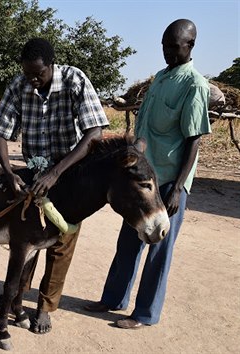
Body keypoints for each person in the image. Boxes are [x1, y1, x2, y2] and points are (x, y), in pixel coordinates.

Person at [84, 19, 211, 329]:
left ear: (190, 46)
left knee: (158, 248)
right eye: (165, 46)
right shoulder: (160, 79)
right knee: (128, 240)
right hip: (141, 178)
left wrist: (179, 187)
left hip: (168, 180)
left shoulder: (194, 85)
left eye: (174, 47)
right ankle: (113, 299)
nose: (168, 52)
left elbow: (194, 140)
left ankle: (144, 314)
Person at [0, 38, 109, 333]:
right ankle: (17, 295)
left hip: (71, 172)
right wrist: (7, 170)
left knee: (60, 242)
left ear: (51, 66)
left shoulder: (74, 79)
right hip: (34, 171)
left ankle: (45, 306)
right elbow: (0, 132)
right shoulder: (19, 84)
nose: (33, 79)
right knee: (28, 236)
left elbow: (95, 133)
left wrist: (56, 173)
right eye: (28, 73)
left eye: (38, 74)